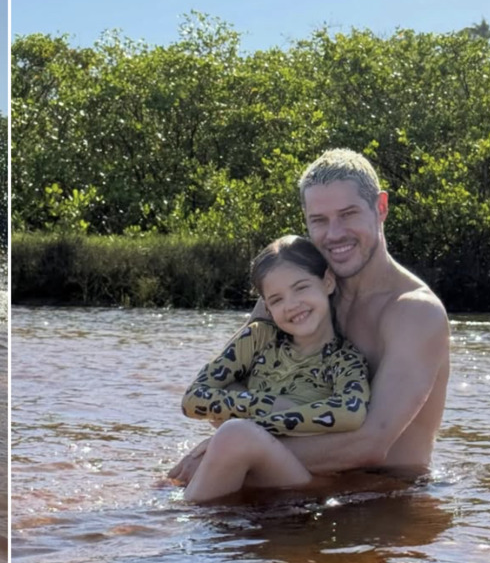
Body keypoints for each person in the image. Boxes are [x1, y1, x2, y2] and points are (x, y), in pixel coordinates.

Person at [168, 148, 450, 489]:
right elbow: (224, 390)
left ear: (381, 207)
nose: (334, 234)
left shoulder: (415, 313)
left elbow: (372, 444)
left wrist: (236, 451)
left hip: (380, 500)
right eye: (319, 220)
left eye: (348, 214)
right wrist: (252, 432)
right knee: (169, 499)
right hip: (289, 483)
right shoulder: (297, 295)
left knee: (225, 450)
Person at [181, 234, 370, 502]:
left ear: (327, 281)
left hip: (303, 481)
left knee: (235, 434)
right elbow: (193, 399)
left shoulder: (344, 359)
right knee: (172, 483)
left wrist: (254, 426)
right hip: (245, 461)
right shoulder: (258, 338)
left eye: (301, 287)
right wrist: (267, 403)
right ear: (267, 308)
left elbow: (350, 412)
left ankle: (172, 526)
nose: (292, 305)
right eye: (277, 299)